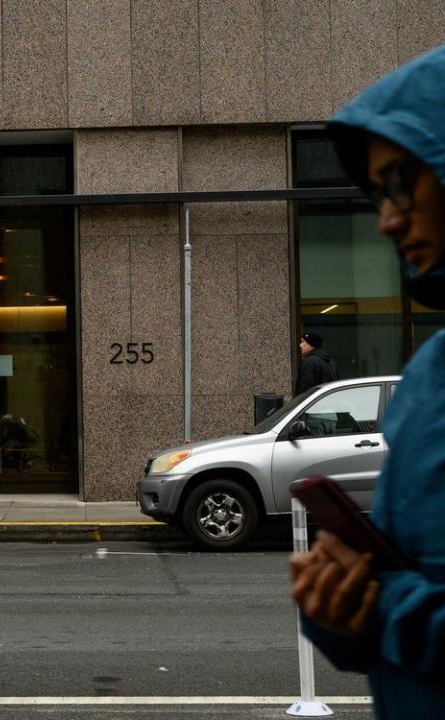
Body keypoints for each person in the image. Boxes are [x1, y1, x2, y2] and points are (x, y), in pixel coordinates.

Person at [290, 45, 445, 717]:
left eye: (401, 183)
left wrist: (384, 606)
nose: (386, 218)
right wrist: (338, 609)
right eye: (376, 193)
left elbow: (398, 598)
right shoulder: (427, 377)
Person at [294, 329, 339, 395]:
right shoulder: (330, 361)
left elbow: (303, 391)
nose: (300, 345)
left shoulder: (309, 362)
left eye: (303, 341)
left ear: (311, 343)